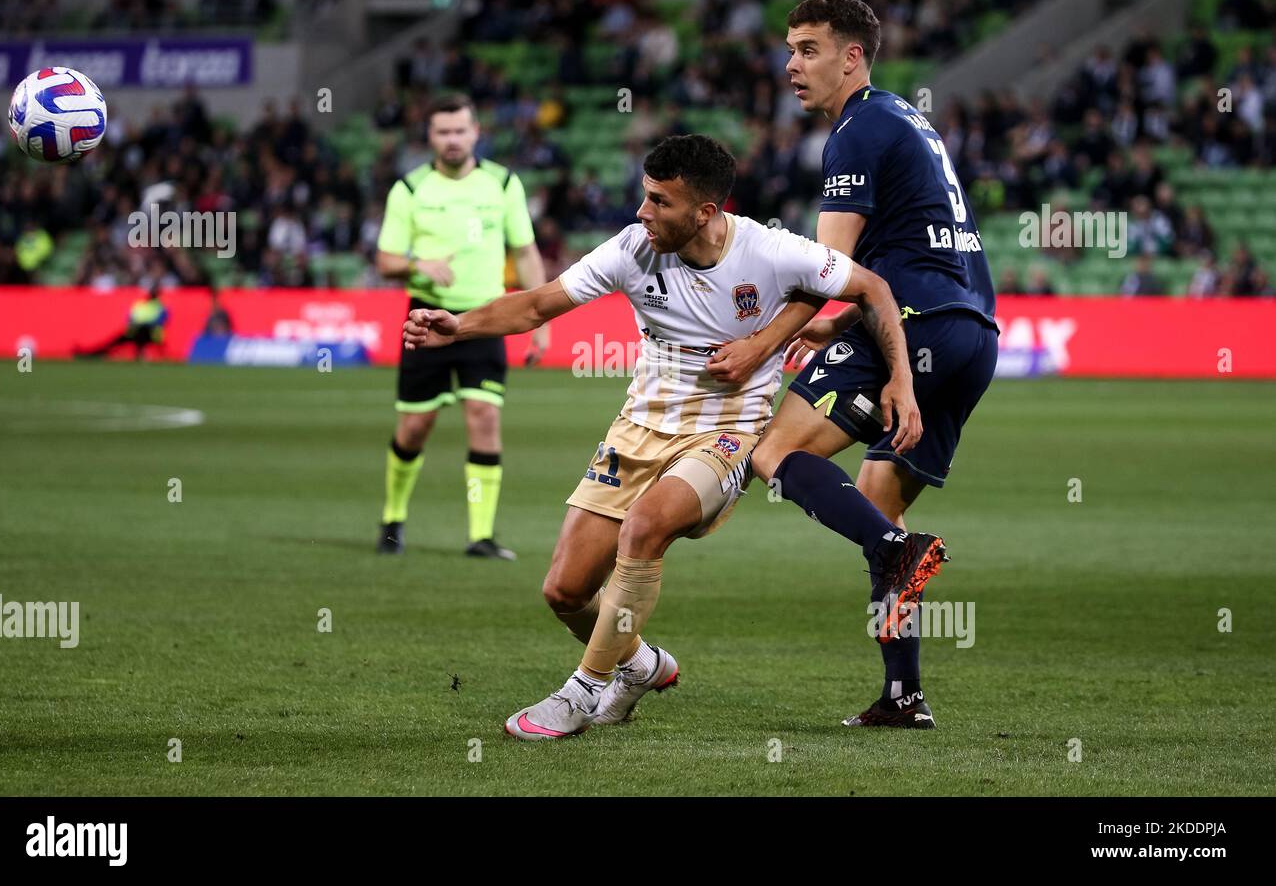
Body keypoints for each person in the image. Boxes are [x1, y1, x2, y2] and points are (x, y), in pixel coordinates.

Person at [403, 134, 946, 741]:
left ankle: (579, 694)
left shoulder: (769, 251)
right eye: (645, 196)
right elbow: (537, 306)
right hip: (637, 429)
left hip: (727, 433)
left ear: (707, 212)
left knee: (645, 528)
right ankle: (638, 664)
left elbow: (872, 288)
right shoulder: (634, 249)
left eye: (661, 202)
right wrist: (459, 328)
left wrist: (900, 376)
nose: (644, 213)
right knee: (564, 591)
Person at [706, 0, 997, 728]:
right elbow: (899, 250)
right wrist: (834, 324)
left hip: (912, 323)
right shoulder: (905, 118)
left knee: (773, 453)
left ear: (853, 56)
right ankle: (904, 696)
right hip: (971, 336)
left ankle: (897, 548)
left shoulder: (858, 128)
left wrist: (760, 344)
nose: (790, 65)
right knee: (877, 499)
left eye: (807, 49)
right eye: (789, 48)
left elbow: (824, 264)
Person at [375, 94, 549, 559]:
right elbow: (385, 258)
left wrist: (542, 321)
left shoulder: (503, 183)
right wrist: (417, 264)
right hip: (426, 319)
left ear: (476, 132)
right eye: (442, 132)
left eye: (460, 130)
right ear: (430, 137)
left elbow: (526, 252)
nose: (452, 140)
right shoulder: (409, 190)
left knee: (485, 416)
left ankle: (481, 535)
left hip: (484, 318)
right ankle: (392, 519)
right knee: (415, 427)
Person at [74, 285, 168, 360]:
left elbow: (160, 322)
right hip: (135, 332)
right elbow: (130, 319)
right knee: (114, 341)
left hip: (151, 335)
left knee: (143, 330)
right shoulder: (140, 304)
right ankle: (90, 353)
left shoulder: (160, 306)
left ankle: (140, 353)